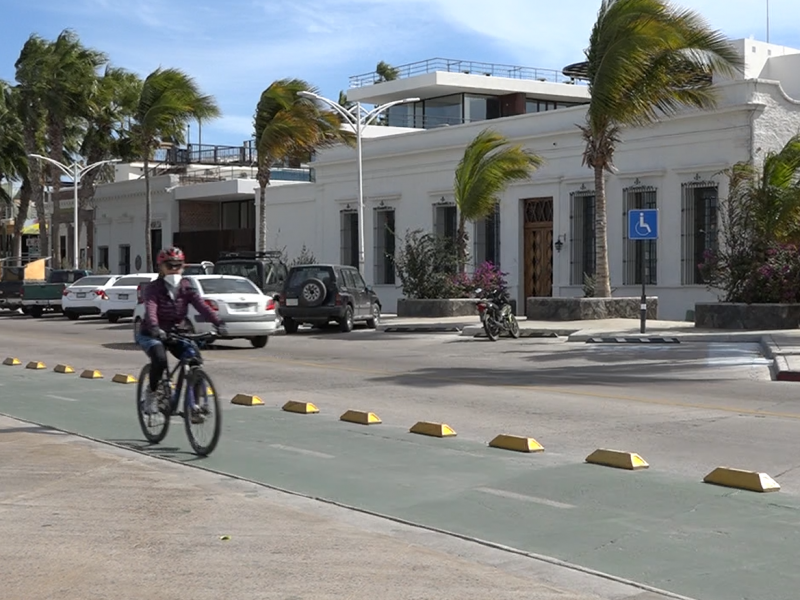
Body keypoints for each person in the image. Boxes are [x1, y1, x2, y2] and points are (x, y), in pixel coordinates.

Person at [134, 246, 227, 417]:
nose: (174, 269)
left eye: (178, 265)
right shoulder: (154, 288)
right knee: (160, 359)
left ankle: (195, 407)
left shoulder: (186, 287)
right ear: (160, 267)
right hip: (152, 333)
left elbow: (201, 306)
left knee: (194, 358)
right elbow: (151, 308)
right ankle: (152, 395)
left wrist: (218, 322)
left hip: (176, 332)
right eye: (169, 265)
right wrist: (155, 327)